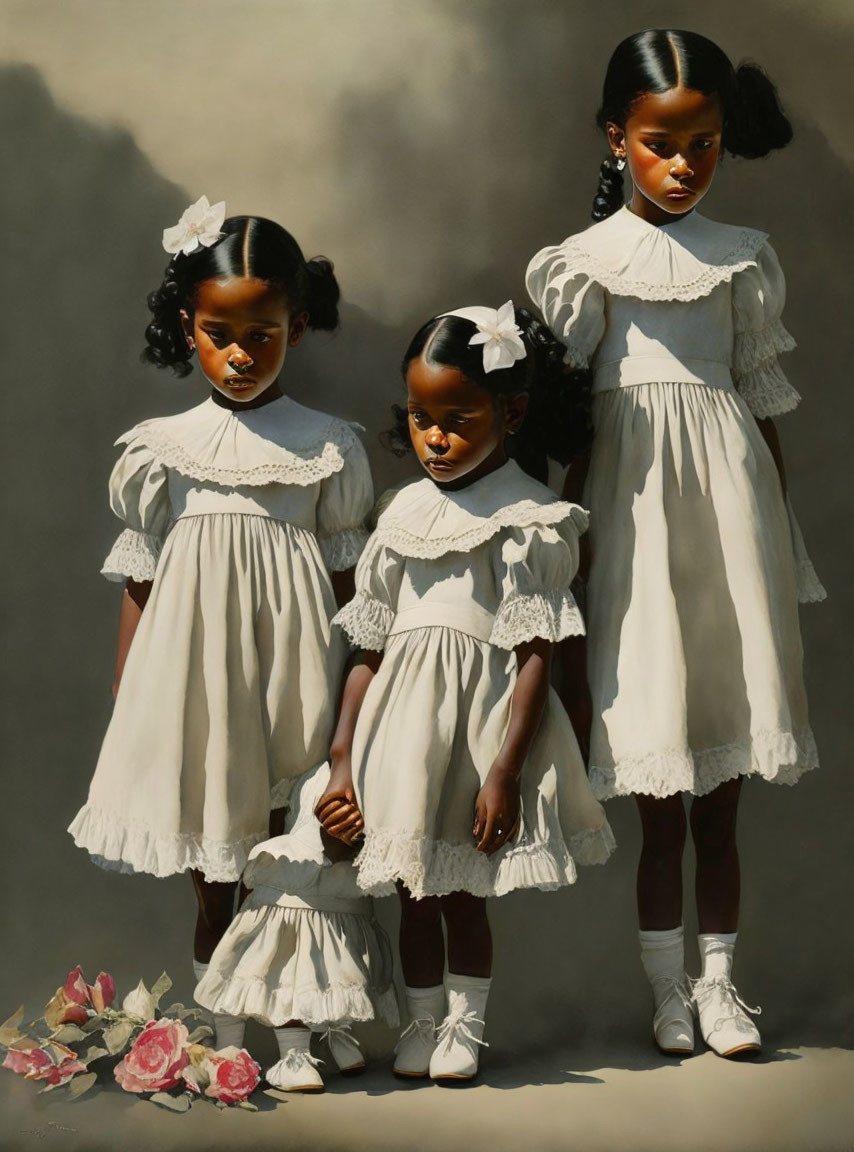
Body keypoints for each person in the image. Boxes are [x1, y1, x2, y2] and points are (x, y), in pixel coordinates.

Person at [526, 29, 825, 1059]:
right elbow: (559, 429)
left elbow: (759, 406)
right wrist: (564, 551)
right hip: (632, 520)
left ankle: (720, 985)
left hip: (727, 524)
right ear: (617, 138)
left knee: (723, 792)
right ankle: (664, 991)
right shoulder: (580, 268)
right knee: (658, 782)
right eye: (660, 142)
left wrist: (773, 542)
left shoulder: (740, 258)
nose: (683, 163)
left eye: (702, 143)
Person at [68, 197, 373, 1049]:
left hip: (296, 675)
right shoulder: (161, 449)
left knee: (291, 860)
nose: (240, 356)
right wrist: (134, 698)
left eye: (263, 336)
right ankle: (222, 1037)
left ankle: (306, 1018)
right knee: (213, 866)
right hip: (195, 683)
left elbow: (360, 594)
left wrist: (359, 707)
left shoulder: (327, 446)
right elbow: (141, 583)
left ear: (297, 328)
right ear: (188, 325)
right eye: (219, 334)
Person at [316, 303, 615, 1082]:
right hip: (401, 733)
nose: (435, 438)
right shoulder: (401, 513)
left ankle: (465, 1027)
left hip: (478, 733)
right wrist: (343, 758)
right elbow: (367, 648)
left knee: (462, 895)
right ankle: (420, 1023)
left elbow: (534, 654)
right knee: (414, 890)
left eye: (458, 418)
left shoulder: (530, 519)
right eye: (420, 418)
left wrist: (506, 771)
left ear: (512, 413)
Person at [195, 765, 398, 1093]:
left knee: (310, 938)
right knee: (296, 935)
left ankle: (317, 1037)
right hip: (320, 768)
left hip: (334, 765)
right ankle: (282, 1050)